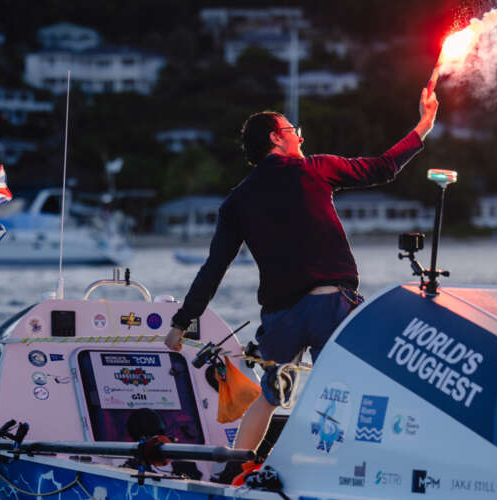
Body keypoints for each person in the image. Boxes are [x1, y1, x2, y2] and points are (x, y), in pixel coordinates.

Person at [165, 86, 438, 477]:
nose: (300, 135)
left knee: (270, 395)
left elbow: (214, 269)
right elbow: (384, 167)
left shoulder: (237, 201)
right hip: (330, 306)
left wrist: (180, 323)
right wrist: (424, 125)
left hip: (281, 319)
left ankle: (234, 472)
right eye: (293, 129)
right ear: (276, 137)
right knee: (349, 389)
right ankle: (343, 472)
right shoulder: (315, 168)